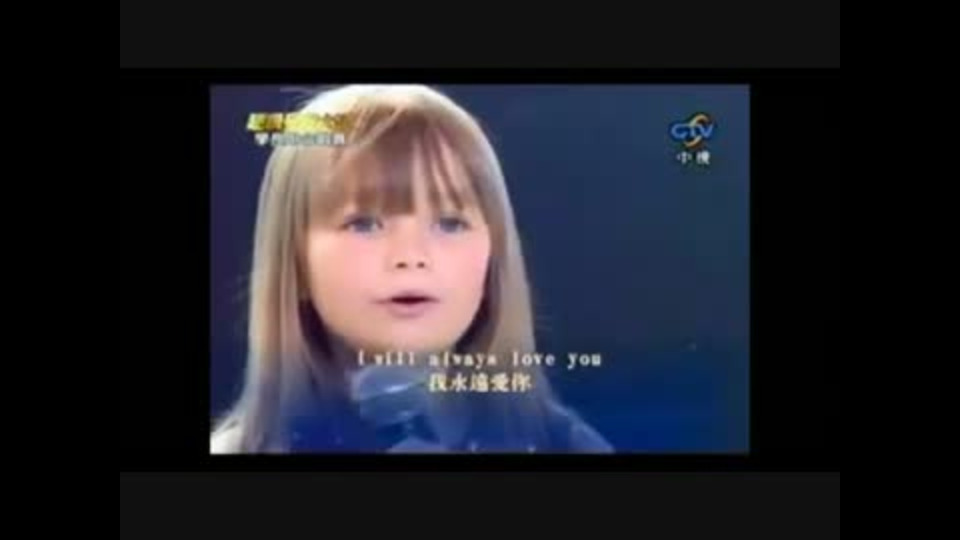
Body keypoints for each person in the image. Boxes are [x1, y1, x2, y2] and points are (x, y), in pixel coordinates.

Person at [210, 84, 612, 453]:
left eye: (450, 223)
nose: (412, 256)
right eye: (364, 224)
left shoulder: (567, 445)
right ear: (295, 261)